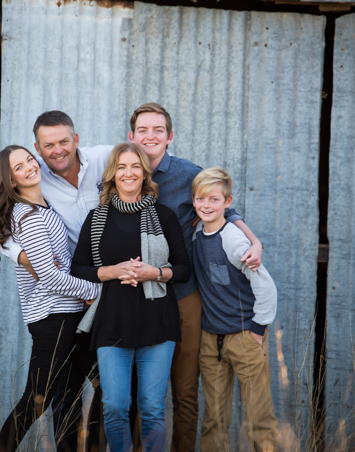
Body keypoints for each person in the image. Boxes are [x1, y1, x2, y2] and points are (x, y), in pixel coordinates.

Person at [128, 102, 263, 452]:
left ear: (169, 136)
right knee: (142, 391)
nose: (150, 136)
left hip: (185, 293)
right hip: (139, 295)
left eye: (158, 129)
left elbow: (224, 208)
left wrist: (253, 240)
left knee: (185, 390)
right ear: (132, 136)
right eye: (143, 130)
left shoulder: (188, 175)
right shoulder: (124, 173)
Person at [1, 111, 112, 452]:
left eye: (64, 141)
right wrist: (93, 291)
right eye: (18, 168)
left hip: (75, 310)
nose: (56, 150)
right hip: (58, 314)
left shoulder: (104, 160)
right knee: (40, 399)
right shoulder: (31, 212)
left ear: (75, 139)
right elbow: (45, 273)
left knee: (104, 386)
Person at [71, 143, 191, 452]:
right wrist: (113, 271)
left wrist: (154, 273)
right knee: (114, 405)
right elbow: (79, 267)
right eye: (122, 167)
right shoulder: (97, 218)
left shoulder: (163, 216)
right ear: (113, 174)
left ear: (144, 173)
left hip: (157, 322)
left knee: (151, 408)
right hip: (111, 322)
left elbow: (182, 269)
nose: (128, 173)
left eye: (135, 166)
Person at [190, 168, 279, 452]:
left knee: (258, 417)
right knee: (214, 419)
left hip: (244, 337)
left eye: (214, 200)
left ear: (227, 203)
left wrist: (258, 329)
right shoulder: (195, 234)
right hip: (210, 338)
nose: (206, 205)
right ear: (193, 200)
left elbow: (266, 286)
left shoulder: (232, 240)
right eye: (201, 198)